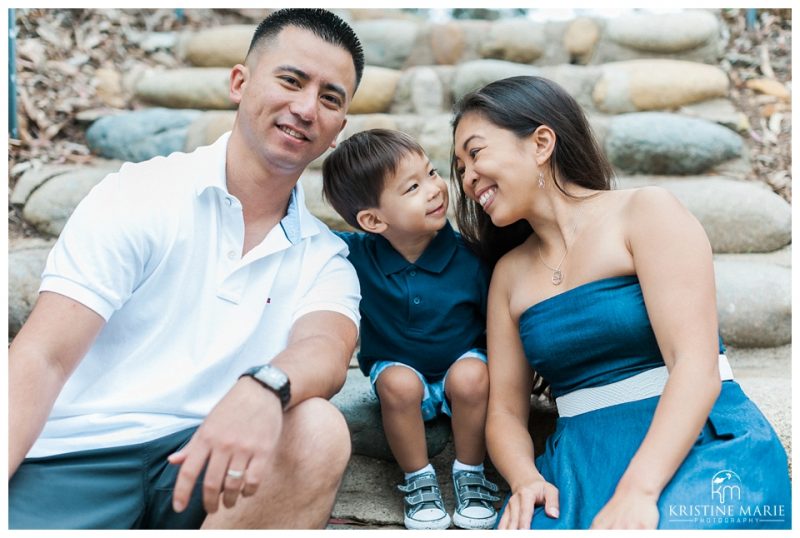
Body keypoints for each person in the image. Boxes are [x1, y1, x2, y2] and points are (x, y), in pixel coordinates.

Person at [9, 9, 365, 529]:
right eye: (291, 80)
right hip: (76, 459)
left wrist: (264, 385)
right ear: (239, 83)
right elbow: (43, 356)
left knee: (318, 429)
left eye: (330, 98)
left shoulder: (325, 256)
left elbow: (328, 351)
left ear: (338, 130)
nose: (306, 107)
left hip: (211, 461)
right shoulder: (140, 195)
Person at [450, 76, 791, 530]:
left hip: (699, 448)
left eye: (475, 153)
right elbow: (506, 414)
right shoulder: (508, 275)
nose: (468, 178)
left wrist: (639, 490)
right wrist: (525, 478)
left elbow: (695, 364)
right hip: (578, 464)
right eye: (458, 168)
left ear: (541, 143)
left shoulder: (646, 212)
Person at [322, 129, 499, 530]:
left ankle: (470, 472)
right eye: (413, 187)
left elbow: (494, 326)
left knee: (474, 375)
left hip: (461, 365)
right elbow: (295, 228)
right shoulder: (353, 255)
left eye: (433, 173)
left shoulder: (470, 257)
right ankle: (418, 479)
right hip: (399, 368)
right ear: (372, 220)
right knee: (398, 384)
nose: (436, 189)